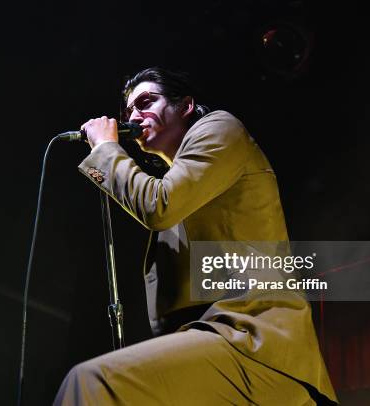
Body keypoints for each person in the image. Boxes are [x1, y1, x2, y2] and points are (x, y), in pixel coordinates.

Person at [53, 67, 337, 405]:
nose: (134, 116)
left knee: (92, 383)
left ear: (185, 105)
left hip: (254, 342)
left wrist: (105, 150)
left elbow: (159, 206)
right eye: (128, 111)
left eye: (146, 102)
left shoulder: (220, 128)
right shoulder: (185, 181)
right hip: (220, 350)